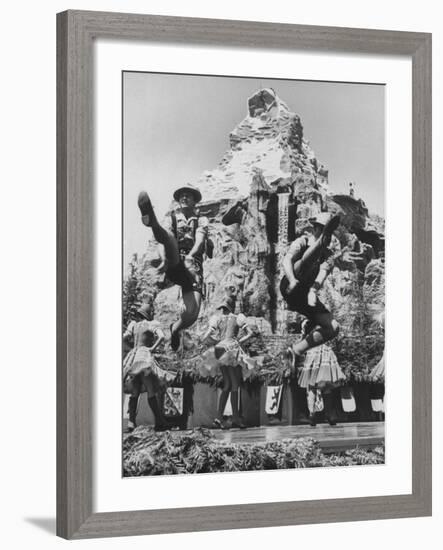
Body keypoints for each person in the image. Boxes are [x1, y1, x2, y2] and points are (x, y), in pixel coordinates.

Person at [138, 185, 209, 351]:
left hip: (193, 269)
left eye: (188, 196)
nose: (184, 198)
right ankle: (152, 221)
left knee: (192, 313)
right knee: (169, 239)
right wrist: (164, 260)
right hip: (176, 261)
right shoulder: (172, 217)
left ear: (194, 201)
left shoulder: (201, 219)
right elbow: (163, 242)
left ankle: (175, 329)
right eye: (182, 196)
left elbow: (199, 240)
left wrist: (191, 256)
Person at [280, 212, 341, 365]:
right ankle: (318, 245)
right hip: (290, 284)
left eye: (328, 232)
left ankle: (295, 351)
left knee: (333, 327)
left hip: (305, 293)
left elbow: (323, 272)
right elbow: (287, 260)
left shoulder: (329, 255)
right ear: (315, 228)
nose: (328, 235)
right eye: (322, 230)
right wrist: (292, 280)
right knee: (305, 263)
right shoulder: (302, 241)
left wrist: (313, 291)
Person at [199, 295, 256, 430]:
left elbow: (206, 336)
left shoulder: (217, 318)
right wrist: (238, 342)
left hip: (220, 349)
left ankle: (219, 417)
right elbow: (250, 333)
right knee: (235, 384)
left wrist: (214, 343)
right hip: (231, 349)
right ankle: (235, 418)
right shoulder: (237, 318)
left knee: (228, 384)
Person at [123, 304, 175, 432]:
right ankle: (159, 421)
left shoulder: (134, 325)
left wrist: (130, 349)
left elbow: (124, 338)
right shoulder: (151, 324)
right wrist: (152, 348)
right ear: (149, 314)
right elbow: (162, 336)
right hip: (144, 358)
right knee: (151, 389)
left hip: (133, 358)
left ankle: (131, 422)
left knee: (135, 390)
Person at [297, 320, 345, 426]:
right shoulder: (320, 321)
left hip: (315, 352)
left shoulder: (308, 323)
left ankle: (314, 414)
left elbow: (303, 340)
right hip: (321, 352)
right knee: (321, 384)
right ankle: (325, 414)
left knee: (314, 385)